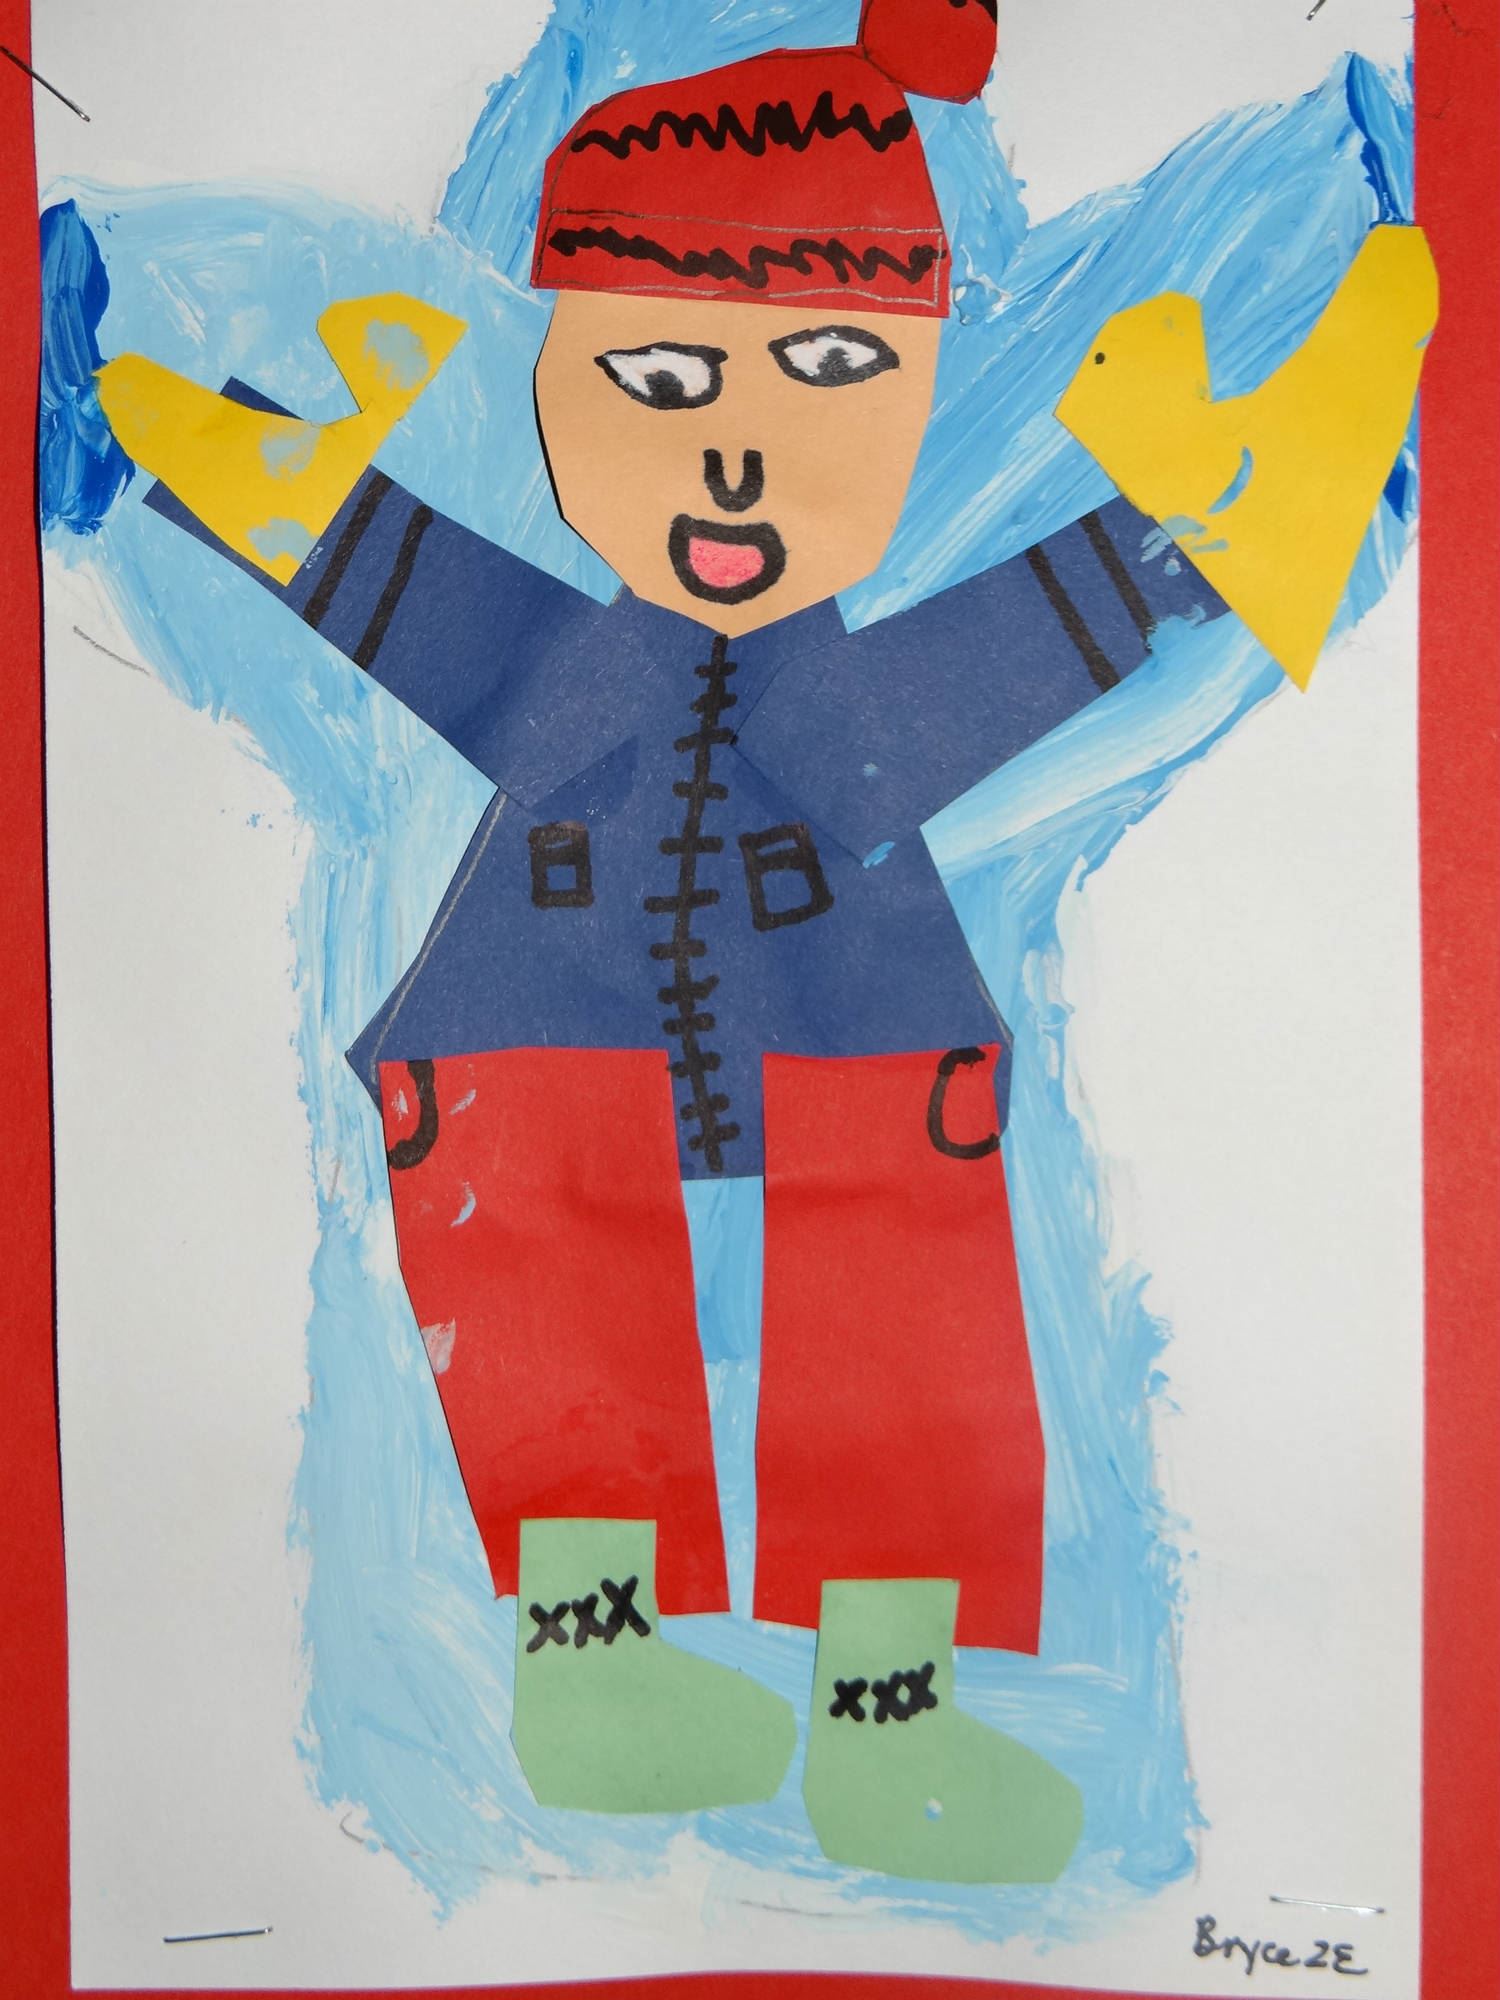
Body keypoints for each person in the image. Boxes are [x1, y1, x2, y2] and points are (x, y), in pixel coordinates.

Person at [95, 0, 1412, 1882]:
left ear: (910, 389)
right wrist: (171, 445)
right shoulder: (565, 663)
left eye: (826, 372)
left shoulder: (833, 702)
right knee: (554, 1283)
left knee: (910, 1303)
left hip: (857, 1038)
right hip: (539, 1031)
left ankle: (890, 1717)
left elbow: (1017, 651)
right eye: (655, 381)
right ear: (564, 377)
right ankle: (593, 1667)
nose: (733, 459)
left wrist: (1208, 536)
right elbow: (375, 565)